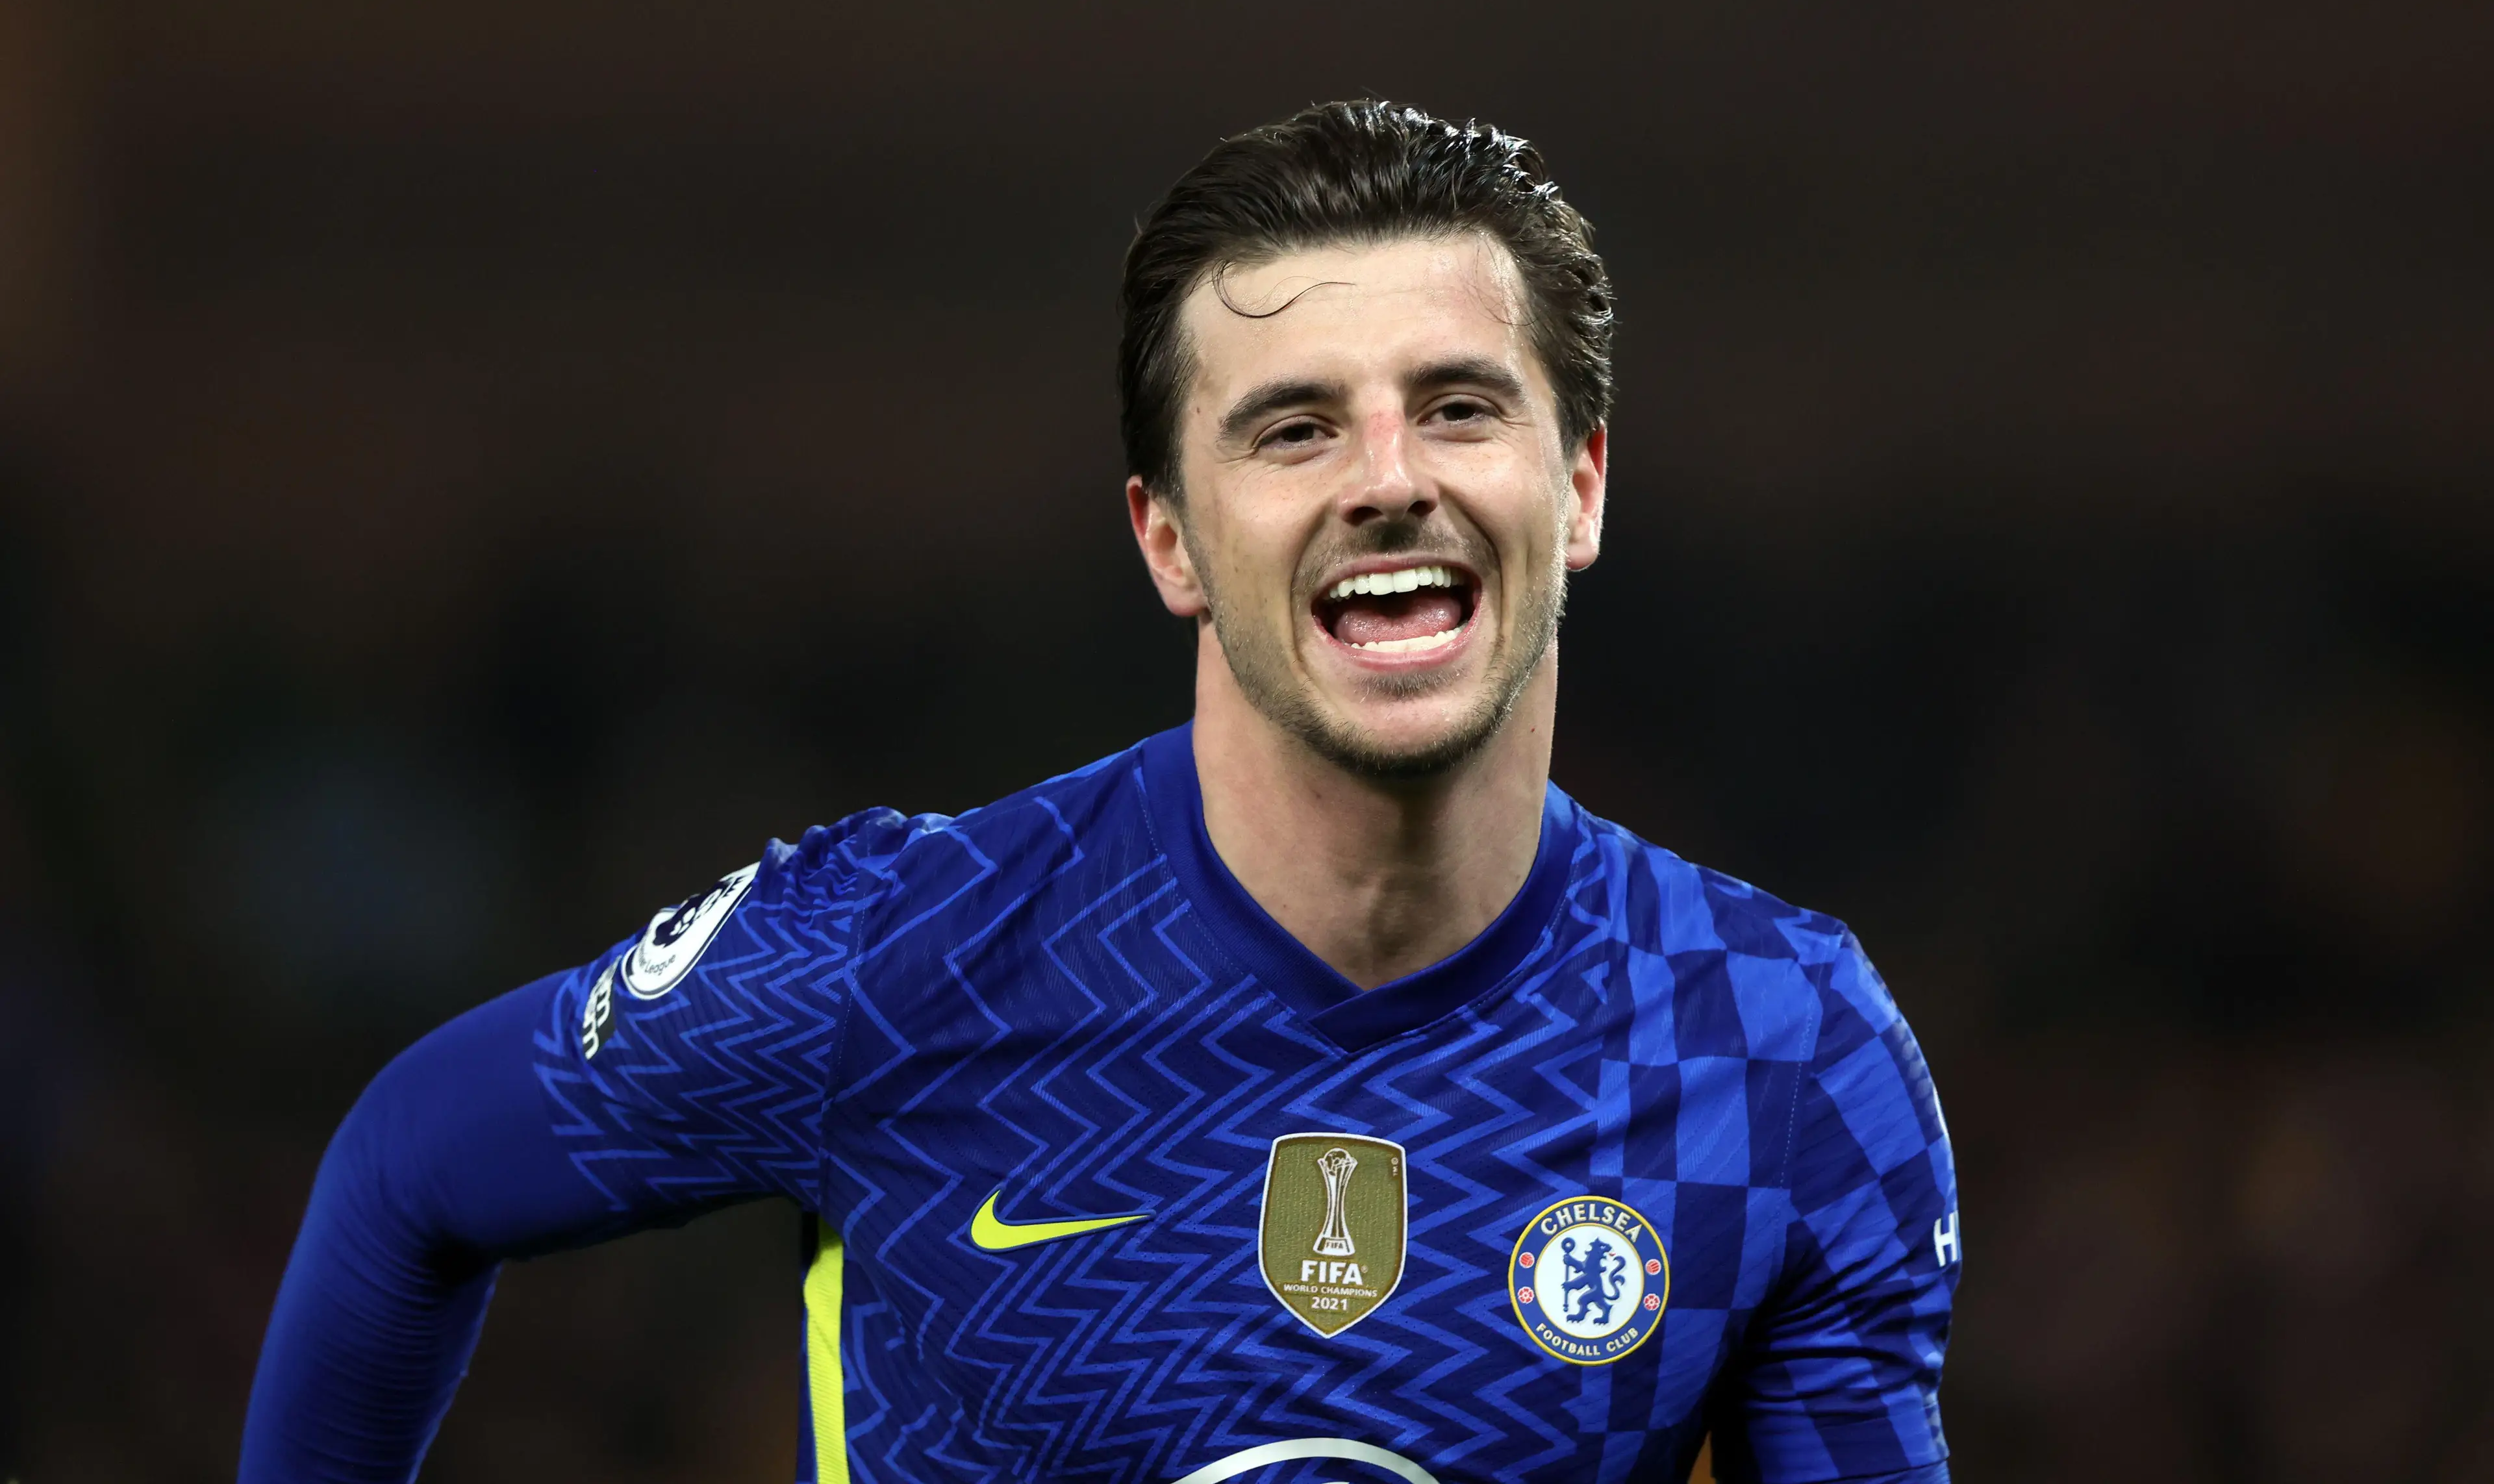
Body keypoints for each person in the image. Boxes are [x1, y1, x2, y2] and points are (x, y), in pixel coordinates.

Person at [241, 101, 1961, 1484]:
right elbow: (407, 1171)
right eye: (1292, 430)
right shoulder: (897, 961)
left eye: (1456, 406)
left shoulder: (1778, 1046)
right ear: (1169, 538)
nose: (1387, 478)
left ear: (1576, 484)